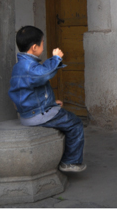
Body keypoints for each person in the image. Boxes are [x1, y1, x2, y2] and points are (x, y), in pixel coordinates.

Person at [8, 26, 86, 172]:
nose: (43, 47)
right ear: (34, 47)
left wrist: (51, 102)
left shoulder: (19, 66)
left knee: (62, 114)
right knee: (75, 123)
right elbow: (43, 74)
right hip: (38, 115)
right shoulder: (29, 67)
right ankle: (70, 162)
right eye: (43, 43)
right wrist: (56, 58)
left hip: (28, 113)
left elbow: (31, 92)